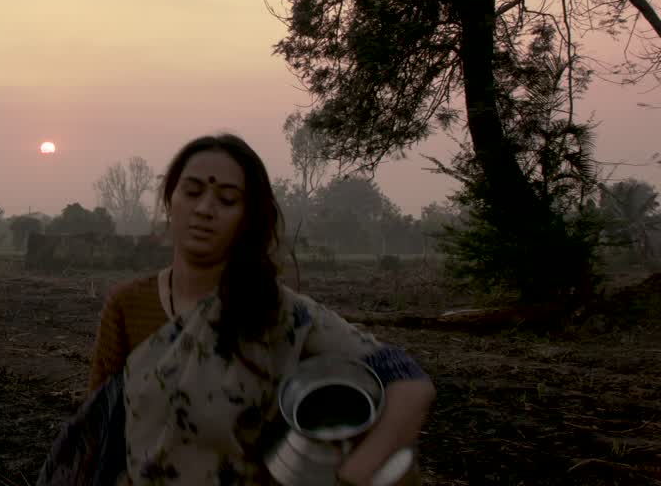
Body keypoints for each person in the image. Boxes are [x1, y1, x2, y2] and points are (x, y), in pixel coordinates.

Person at [37, 133, 435, 486]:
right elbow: (98, 431)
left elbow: (408, 380)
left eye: (227, 199)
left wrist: (359, 470)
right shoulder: (127, 305)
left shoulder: (279, 313)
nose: (206, 208)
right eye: (192, 192)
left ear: (247, 218)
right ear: (169, 200)